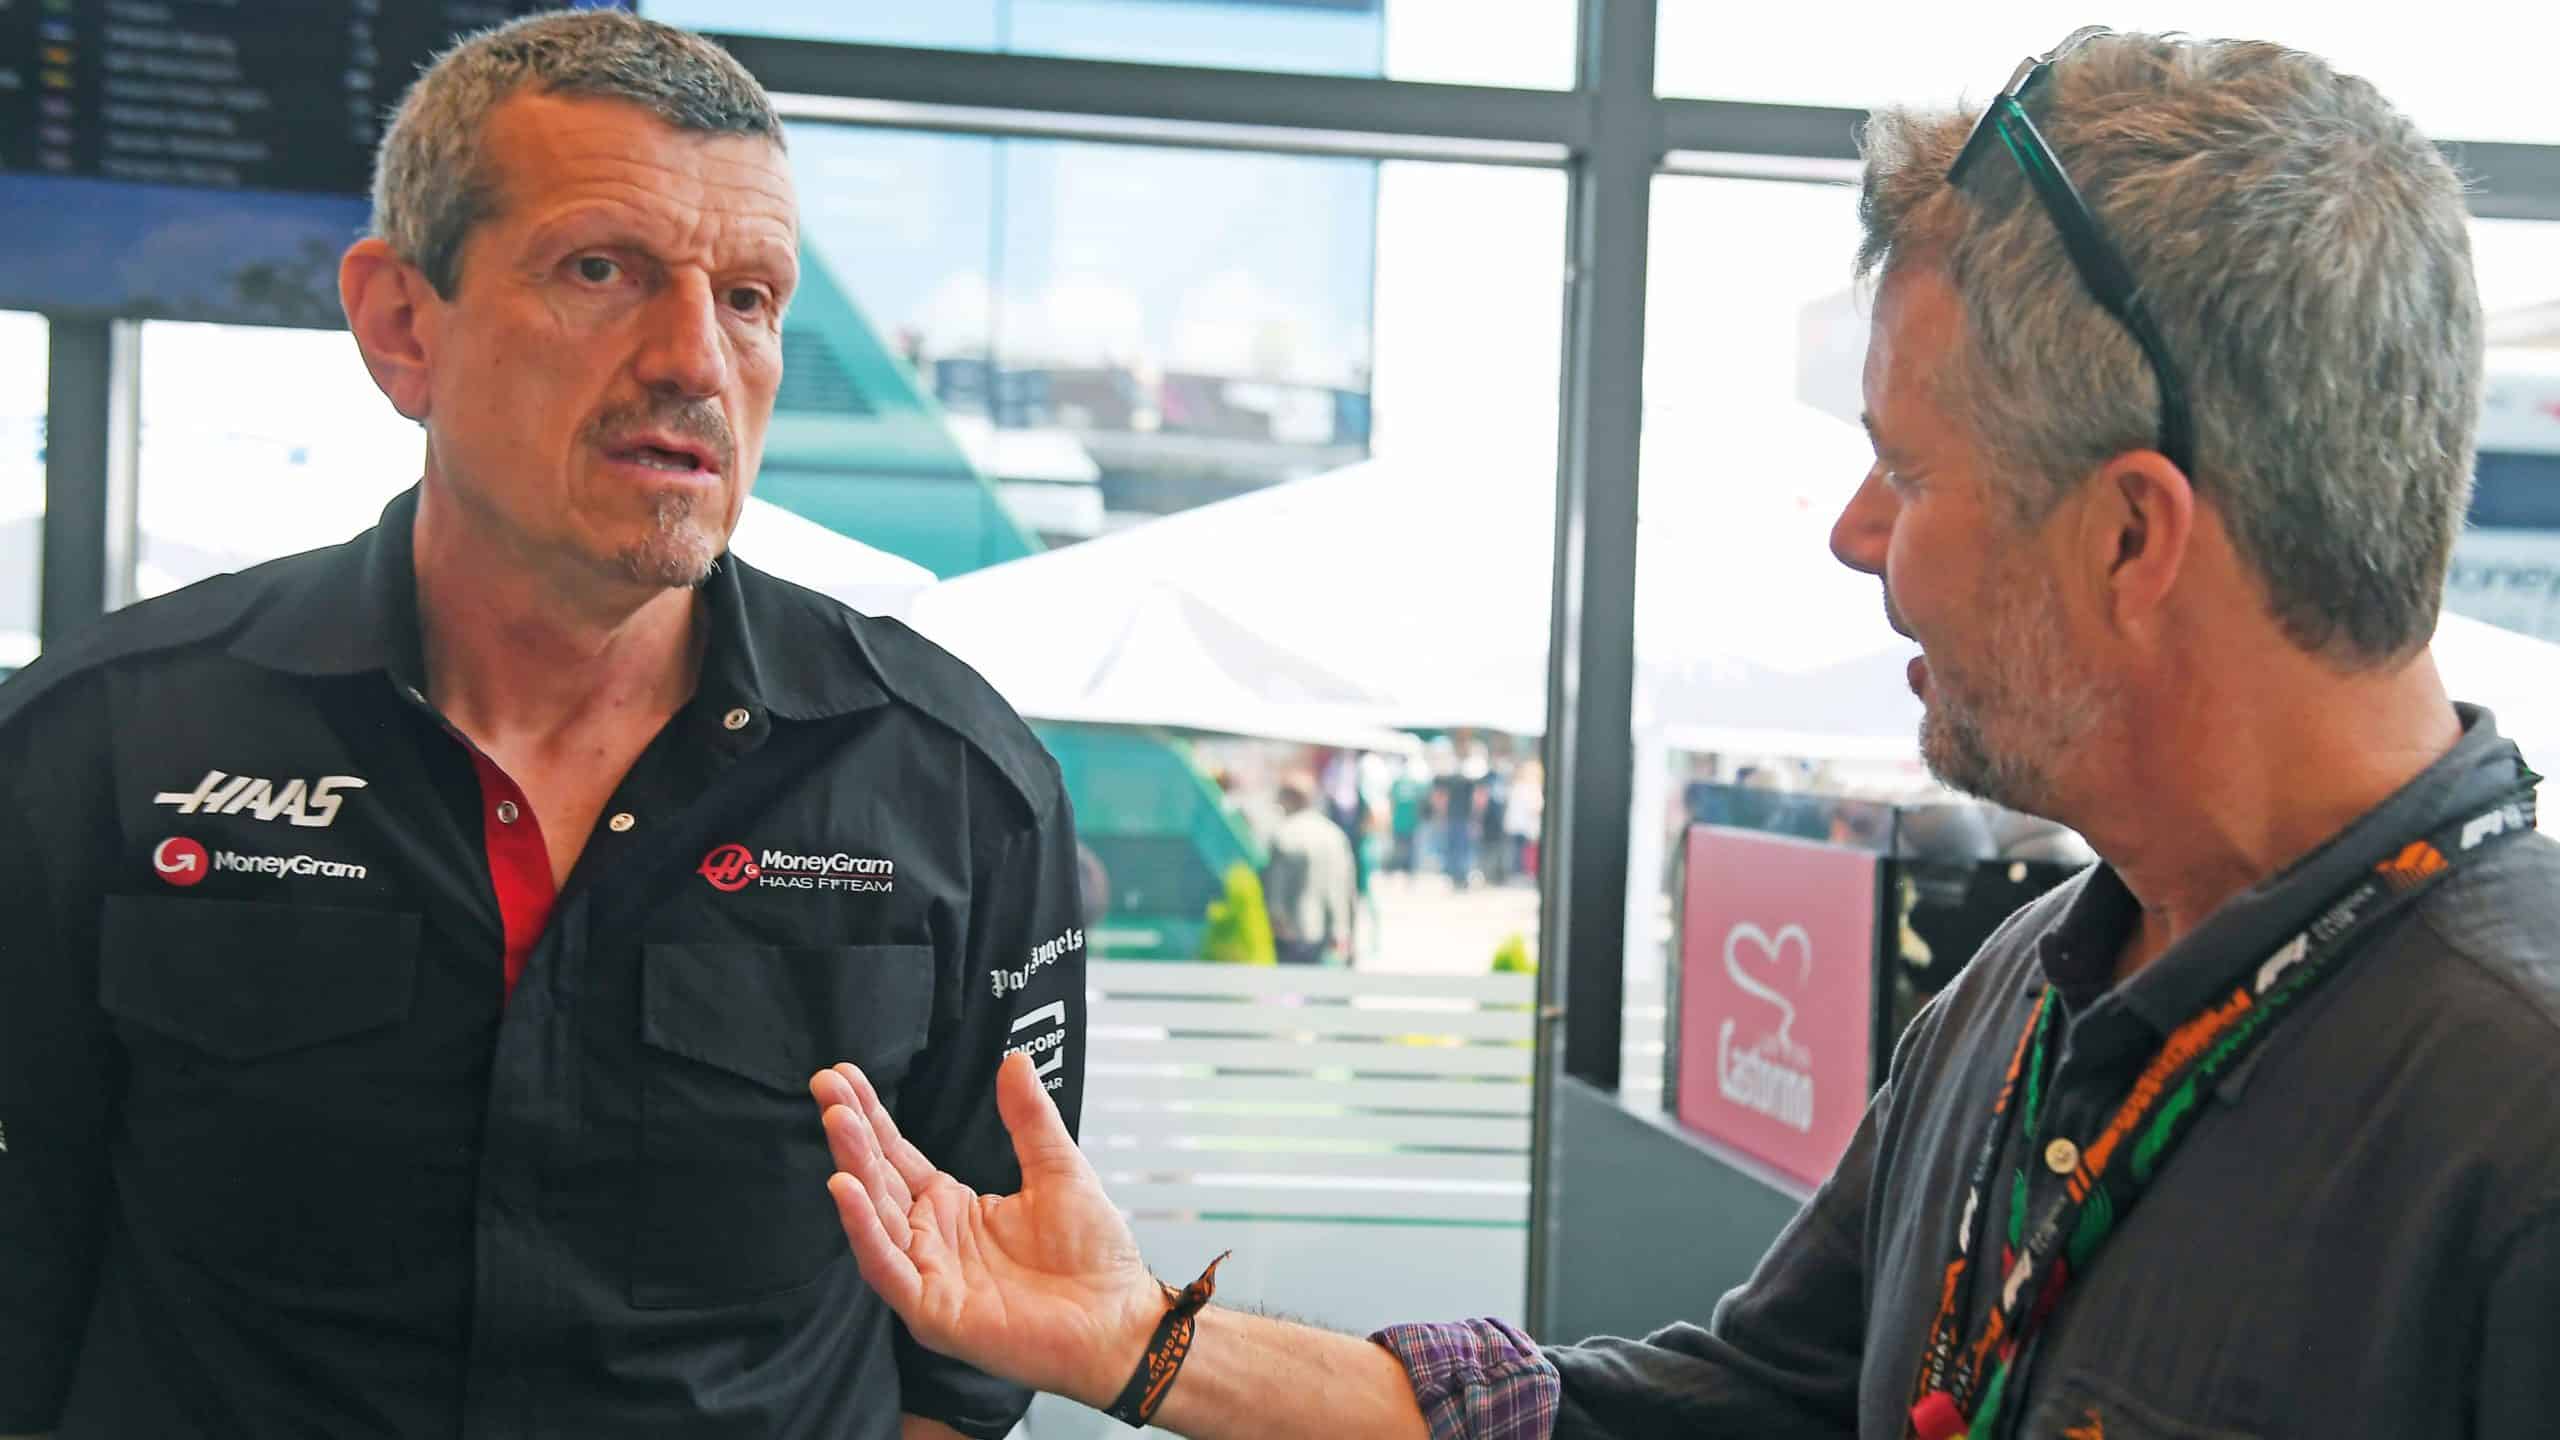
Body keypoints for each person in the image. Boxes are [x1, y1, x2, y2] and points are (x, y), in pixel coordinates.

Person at [804, 28, 2560, 1440]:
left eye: (1917, 467)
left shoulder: (2512, 1117)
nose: (1860, 532)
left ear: (2130, 536)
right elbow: (1701, 1413)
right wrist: (1141, 1347)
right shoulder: (2028, 994)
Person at [0, 12, 1085, 1440]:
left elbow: (974, 1341)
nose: (694, 358)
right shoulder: (99, 751)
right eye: (602, 270)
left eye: (751, 297)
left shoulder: (951, 788)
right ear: (403, 326)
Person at [1262, 774, 1358, 967]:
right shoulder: (1335, 834)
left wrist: (1275, 919)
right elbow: (1348, 886)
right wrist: (1347, 929)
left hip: (1294, 930)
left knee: (1291, 989)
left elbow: (1276, 888)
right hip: (1333, 930)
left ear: (1291, 799)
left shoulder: (1285, 834)